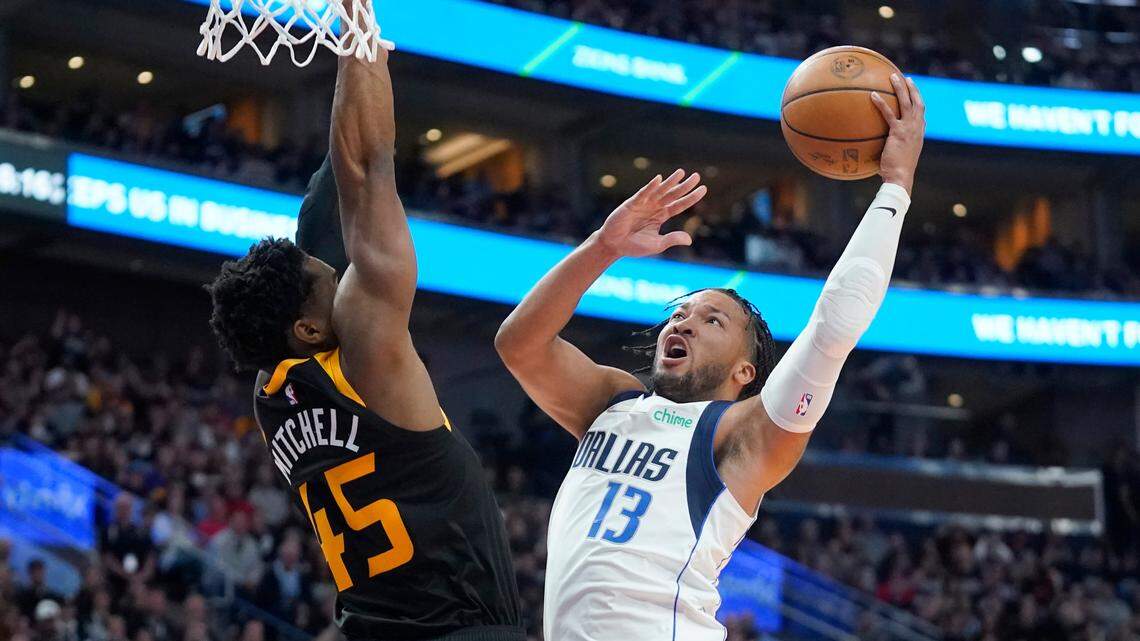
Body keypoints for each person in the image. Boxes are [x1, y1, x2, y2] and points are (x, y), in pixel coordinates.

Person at [495, 74, 926, 640]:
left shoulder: (743, 435)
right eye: (681, 313)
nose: (684, 320)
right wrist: (603, 247)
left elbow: (835, 323)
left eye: (712, 319)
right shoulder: (613, 402)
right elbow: (518, 343)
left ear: (746, 371)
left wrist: (895, 185)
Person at [204, 15, 522, 640]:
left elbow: (335, 183)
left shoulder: (272, 388)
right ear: (310, 327)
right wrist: (357, 23)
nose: (341, 274)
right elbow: (370, 164)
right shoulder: (367, 353)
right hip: (455, 628)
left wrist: (361, 61)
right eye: (331, 279)